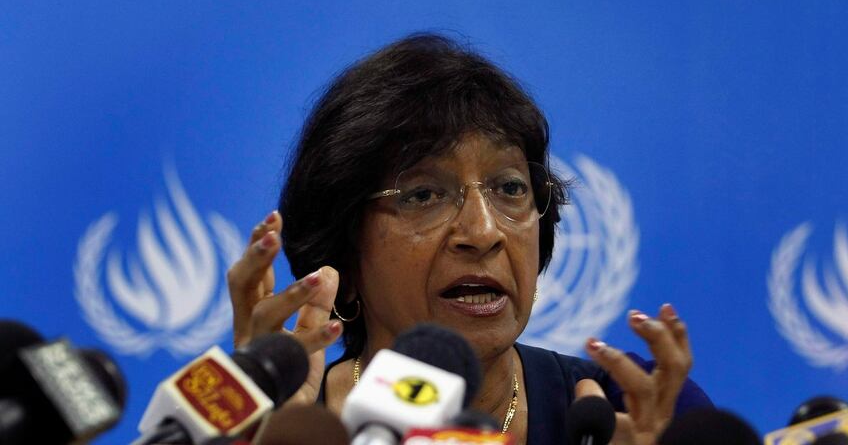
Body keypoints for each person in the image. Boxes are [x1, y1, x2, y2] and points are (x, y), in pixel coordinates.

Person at [227, 34, 711, 444]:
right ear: (345, 264)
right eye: (423, 194)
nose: (483, 233)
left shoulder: (634, 408)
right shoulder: (287, 427)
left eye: (509, 188)